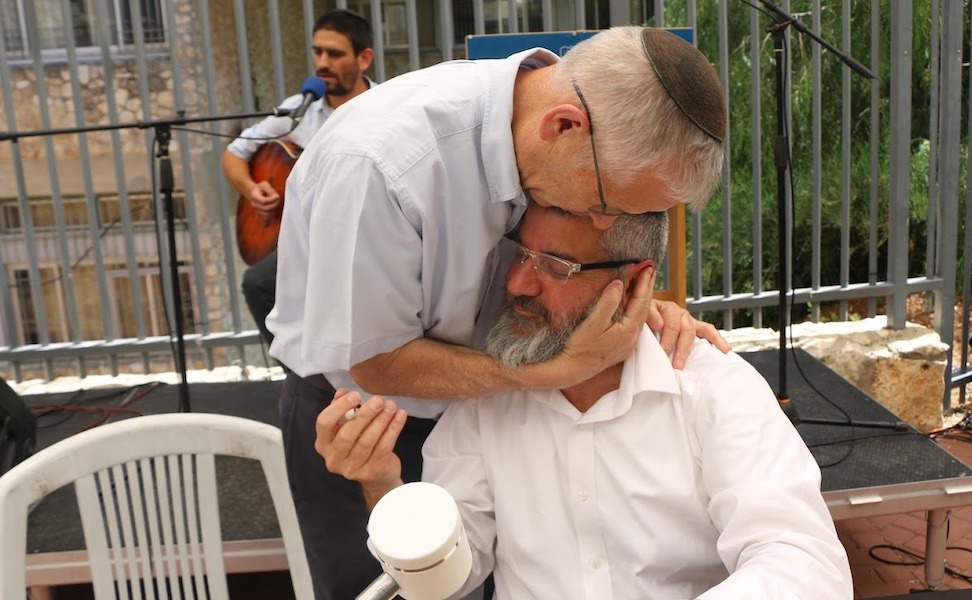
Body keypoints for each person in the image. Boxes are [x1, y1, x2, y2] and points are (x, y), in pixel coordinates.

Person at [267, 26, 731, 599]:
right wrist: (550, 373)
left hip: (489, 410)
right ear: (563, 126)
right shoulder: (383, 164)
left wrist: (648, 311)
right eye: (608, 206)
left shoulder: (566, 135)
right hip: (366, 424)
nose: (604, 225)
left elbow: (584, 265)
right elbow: (377, 360)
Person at [315, 202, 854, 599]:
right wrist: (384, 484)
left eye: (557, 266)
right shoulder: (488, 398)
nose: (520, 283)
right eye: (519, 255)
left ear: (635, 282)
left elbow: (802, 561)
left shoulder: (710, 387)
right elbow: (452, 580)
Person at [221, 9, 375, 345]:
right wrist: (251, 189)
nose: (322, 63)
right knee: (259, 284)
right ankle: (299, 377)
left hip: (359, 235)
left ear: (364, 59)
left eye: (334, 54)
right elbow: (235, 153)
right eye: (317, 52)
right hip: (303, 237)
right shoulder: (299, 110)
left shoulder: (386, 109)